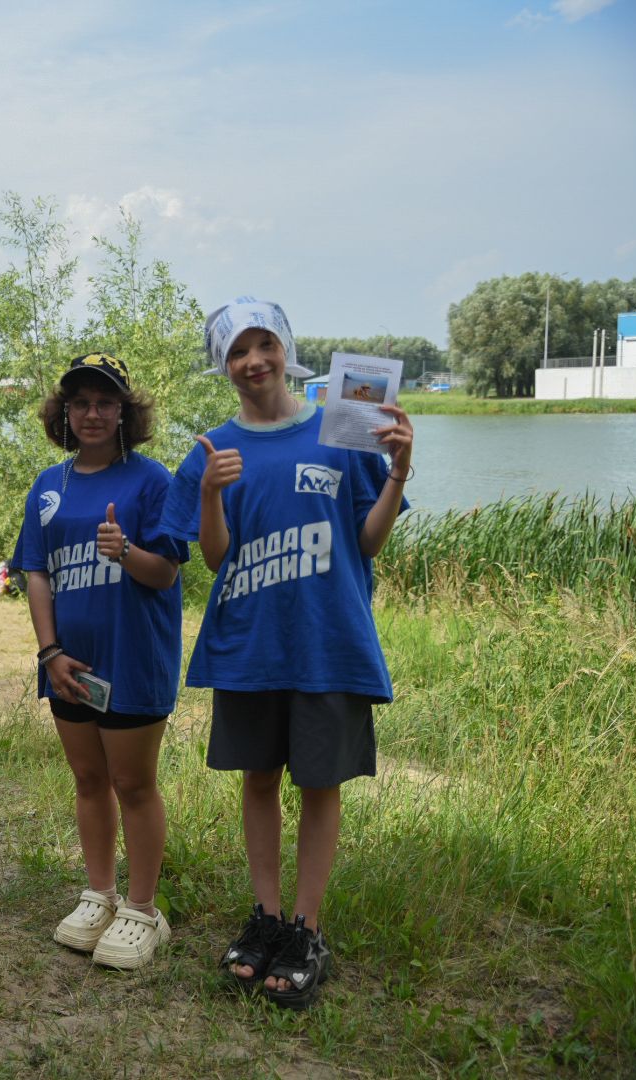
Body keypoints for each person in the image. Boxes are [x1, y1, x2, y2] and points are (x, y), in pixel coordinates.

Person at [161, 298, 413, 1009]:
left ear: (286, 349)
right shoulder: (211, 449)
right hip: (251, 646)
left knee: (320, 784)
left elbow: (367, 542)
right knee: (260, 778)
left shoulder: (343, 430)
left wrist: (398, 471)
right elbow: (215, 558)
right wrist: (212, 494)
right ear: (223, 365)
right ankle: (266, 918)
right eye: (237, 351)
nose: (254, 361)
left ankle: (307, 929)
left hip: (328, 641)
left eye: (264, 344)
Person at [10, 353, 188, 969]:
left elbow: (165, 573)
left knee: (133, 784)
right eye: (80, 403)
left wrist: (126, 551)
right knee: (88, 780)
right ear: (64, 412)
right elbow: (36, 573)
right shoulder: (48, 484)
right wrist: (50, 652)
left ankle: (142, 910)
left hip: (134, 658)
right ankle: (100, 894)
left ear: (124, 413)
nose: (92, 413)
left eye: (105, 403)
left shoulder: (152, 480)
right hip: (69, 663)